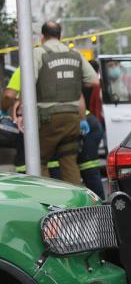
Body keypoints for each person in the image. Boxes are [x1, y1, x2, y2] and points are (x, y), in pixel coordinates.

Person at [31, 21, 98, 185]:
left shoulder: (38, 53)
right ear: (61, 36)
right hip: (72, 118)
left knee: (39, 160)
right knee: (69, 161)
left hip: (48, 118)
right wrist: (72, 84)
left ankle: (46, 202)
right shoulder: (75, 54)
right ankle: (76, 206)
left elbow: (29, 82)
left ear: (42, 36)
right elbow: (94, 81)